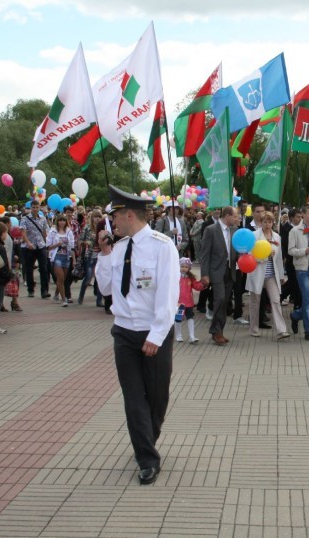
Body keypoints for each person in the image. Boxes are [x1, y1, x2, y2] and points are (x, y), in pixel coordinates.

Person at [94, 185, 179, 485]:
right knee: (133, 397)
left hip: (154, 332)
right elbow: (105, 289)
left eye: (115, 215)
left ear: (129, 214)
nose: (112, 222)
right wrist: (104, 254)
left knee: (156, 397)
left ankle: (147, 438)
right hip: (124, 333)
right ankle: (147, 457)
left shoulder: (161, 246)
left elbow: (169, 294)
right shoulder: (118, 248)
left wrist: (156, 335)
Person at [246, 211, 291, 340]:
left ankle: (281, 330)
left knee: (276, 300)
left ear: (273, 223)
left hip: (272, 274)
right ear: (261, 222)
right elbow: (250, 256)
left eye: (270, 222)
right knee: (255, 302)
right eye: (265, 221)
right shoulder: (254, 236)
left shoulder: (277, 237)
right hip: (257, 273)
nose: (267, 224)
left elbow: (279, 259)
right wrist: (265, 256)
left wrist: (281, 275)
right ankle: (254, 329)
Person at [199, 206, 239, 346]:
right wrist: (204, 274)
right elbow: (204, 254)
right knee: (220, 299)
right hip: (216, 271)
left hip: (230, 270)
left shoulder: (235, 231)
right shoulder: (211, 230)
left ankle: (219, 331)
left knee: (225, 302)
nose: (237, 219)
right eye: (235, 216)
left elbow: (236, 250)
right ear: (227, 215)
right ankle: (215, 331)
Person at [288, 204, 309, 342]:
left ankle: (296, 315)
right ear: (303, 214)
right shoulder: (295, 231)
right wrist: (303, 251)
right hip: (302, 269)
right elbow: (290, 250)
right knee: (307, 300)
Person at [19, 200, 51, 298]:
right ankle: (30, 289)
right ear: (30, 208)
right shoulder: (25, 219)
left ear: (40, 207)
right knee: (29, 268)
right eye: (33, 207)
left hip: (41, 245)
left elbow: (45, 232)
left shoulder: (43, 218)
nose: (35, 209)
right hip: (30, 246)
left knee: (44, 268)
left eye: (37, 207)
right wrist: (28, 243)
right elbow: (23, 232)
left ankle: (44, 291)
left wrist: (47, 244)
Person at [47, 215, 75, 307]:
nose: (62, 222)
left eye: (63, 220)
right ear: (57, 222)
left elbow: (72, 246)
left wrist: (74, 260)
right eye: (60, 221)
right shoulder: (52, 232)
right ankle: (64, 299)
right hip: (56, 256)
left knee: (62, 279)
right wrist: (57, 244)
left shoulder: (69, 231)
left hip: (66, 257)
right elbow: (48, 247)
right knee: (61, 278)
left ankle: (56, 294)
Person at [78, 210, 103, 306]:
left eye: (99, 217)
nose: (97, 219)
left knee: (100, 278)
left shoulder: (102, 228)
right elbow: (80, 240)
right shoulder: (87, 228)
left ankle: (99, 301)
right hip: (90, 255)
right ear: (92, 218)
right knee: (88, 277)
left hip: (100, 256)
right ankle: (81, 295)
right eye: (95, 217)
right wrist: (87, 242)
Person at [175, 257, 203, 344]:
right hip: (179, 303)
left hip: (189, 302)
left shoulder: (190, 277)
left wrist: (203, 284)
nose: (184, 268)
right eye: (182, 266)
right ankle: (178, 335)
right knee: (178, 318)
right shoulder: (175, 276)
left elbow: (196, 286)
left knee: (190, 318)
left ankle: (192, 336)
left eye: (186, 267)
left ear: (189, 268)